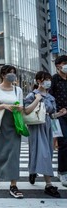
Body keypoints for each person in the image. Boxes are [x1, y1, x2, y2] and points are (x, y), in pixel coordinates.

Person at [24, 71, 64, 198]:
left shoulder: (51, 97)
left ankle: (32, 170)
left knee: (47, 153)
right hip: (36, 125)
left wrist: (60, 114)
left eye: (48, 79)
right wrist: (37, 100)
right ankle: (49, 184)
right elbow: (26, 111)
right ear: (38, 81)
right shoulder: (32, 95)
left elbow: (52, 115)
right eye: (44, 79)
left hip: (48, 126)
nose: (47, 82)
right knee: (43, 153)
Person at [0, 65, 24, 198]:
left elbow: (21, 107)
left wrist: (18, 108)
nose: (12, 75)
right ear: (3, 75)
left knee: (14, 154)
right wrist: (3, 106)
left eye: (14, 73)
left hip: (14, 123)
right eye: (9, 73)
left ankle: (13, 185)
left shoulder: (18, 89)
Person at [50, 55, 67, 187]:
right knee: (64, 143)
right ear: (58, 66)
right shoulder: (54, 80)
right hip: (58, 116)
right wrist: (55, 112)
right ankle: (62, 171)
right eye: (64, 63)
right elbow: (50, 98)